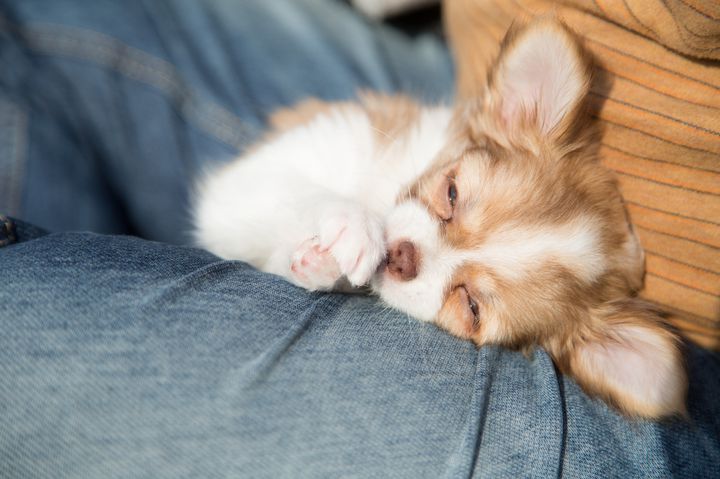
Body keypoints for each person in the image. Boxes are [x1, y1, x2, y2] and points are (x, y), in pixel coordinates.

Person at [0, 1, 718, 477]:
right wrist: (321, 210)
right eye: (453, 197)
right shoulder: (404, 139)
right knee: (41, 14)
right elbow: (225, 211)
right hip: (439, 77)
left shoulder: (571, 331)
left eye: (470, 304)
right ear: (499, 117)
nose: (418, 258)